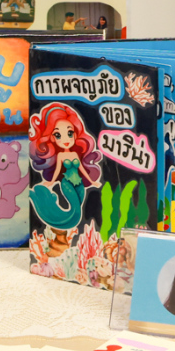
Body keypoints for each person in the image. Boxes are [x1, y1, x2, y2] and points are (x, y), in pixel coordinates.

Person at [28, 102, 102, 255]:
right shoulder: (61, 155)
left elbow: (82, 169)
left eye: (69, 133)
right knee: (76, 212)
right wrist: (51, 182)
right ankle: (60, 233)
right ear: (52, 138)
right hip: (66, 183)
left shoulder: (74, 154)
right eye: (58, 135)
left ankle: (63, 234)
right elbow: (57, 171)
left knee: (77, 209)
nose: (65, 139)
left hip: (79, 184)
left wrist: (92, 181)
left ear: (76, 134)